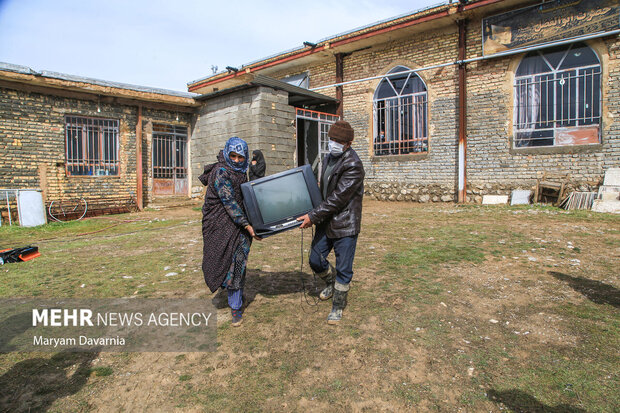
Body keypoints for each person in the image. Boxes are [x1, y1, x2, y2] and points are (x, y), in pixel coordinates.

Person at [297, 120, 365, 324]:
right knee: (315, 260)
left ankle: (338, 305)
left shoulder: (353, 165)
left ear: (349, 143)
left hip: (345, 224)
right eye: (332, 139)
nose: (333, 143)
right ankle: (330, 281)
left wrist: (313, 216)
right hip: (326, 221)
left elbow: (337, 199)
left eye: (338, 141)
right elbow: (324, 190)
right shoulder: (328, 159)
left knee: (344, 267)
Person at [199, 137, 260, 327]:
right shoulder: (221, 172)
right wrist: (248, 226)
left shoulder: (241, 172)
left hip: (238, 224)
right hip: (218, 224)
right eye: (232, 156)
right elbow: (229, 202)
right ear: (227, 153)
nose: (236, 160)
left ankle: (235, 306)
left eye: (240, 157)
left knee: (239, 261)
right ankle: (226, 283)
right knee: (220, 259)